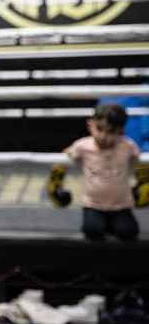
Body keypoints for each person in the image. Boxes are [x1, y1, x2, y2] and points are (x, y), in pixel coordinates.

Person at [50, 103, 141, 242]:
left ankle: (112, 225)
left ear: (121, 131)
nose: (104, 136)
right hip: (93, 204)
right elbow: (63, 159)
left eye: (111, 132)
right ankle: (105, 225)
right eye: (99, 129)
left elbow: (141, 163)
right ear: (90, 125)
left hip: (121, 205)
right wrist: (56, 187)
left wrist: (143, 186)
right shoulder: (83, 145)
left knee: (129, 232)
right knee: (92, 231)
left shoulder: (128, 146)